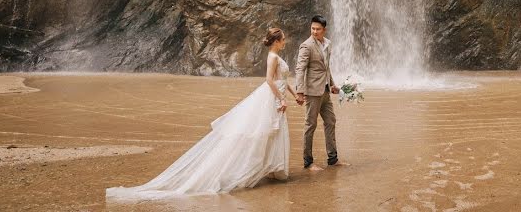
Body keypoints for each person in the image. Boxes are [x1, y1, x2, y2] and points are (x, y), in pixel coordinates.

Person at [106, 28, 299, 201]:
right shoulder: (273, 57)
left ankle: (273, 168)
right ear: (276, 41)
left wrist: (293, 94)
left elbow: (282, 79)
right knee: (262, 132)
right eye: (283, 39)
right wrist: (281, 99)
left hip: (276, 96)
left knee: (272, 132)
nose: (285, 41)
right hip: (271, 98)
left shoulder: (276, 57)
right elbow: (268, 80)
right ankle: (260, 168)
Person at [295, 15, 348, 171]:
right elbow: (300, 69)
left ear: (324, 30)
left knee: (331, 121)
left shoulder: (327, 44)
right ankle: (308, 162)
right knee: (310, 125)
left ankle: (333, 159)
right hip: (312, 91)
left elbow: (326, 67)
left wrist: (332, 84)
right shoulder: (306, 46)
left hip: (325, 90)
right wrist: (299, 91)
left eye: (318, 29)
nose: (315, 31)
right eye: (313, 28)